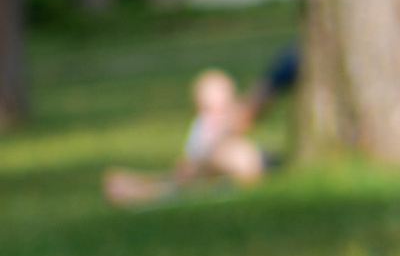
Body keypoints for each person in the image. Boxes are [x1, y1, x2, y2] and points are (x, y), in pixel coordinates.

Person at [103, 47, 298, 207]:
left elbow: (248, 115)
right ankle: (148, 187)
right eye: (210, 108)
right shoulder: (207, 129)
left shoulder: (233, 143)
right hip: (221, 167)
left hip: (241, 165)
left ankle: (148, 188)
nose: (217, 114)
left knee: (192, 177)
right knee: (190, 177)